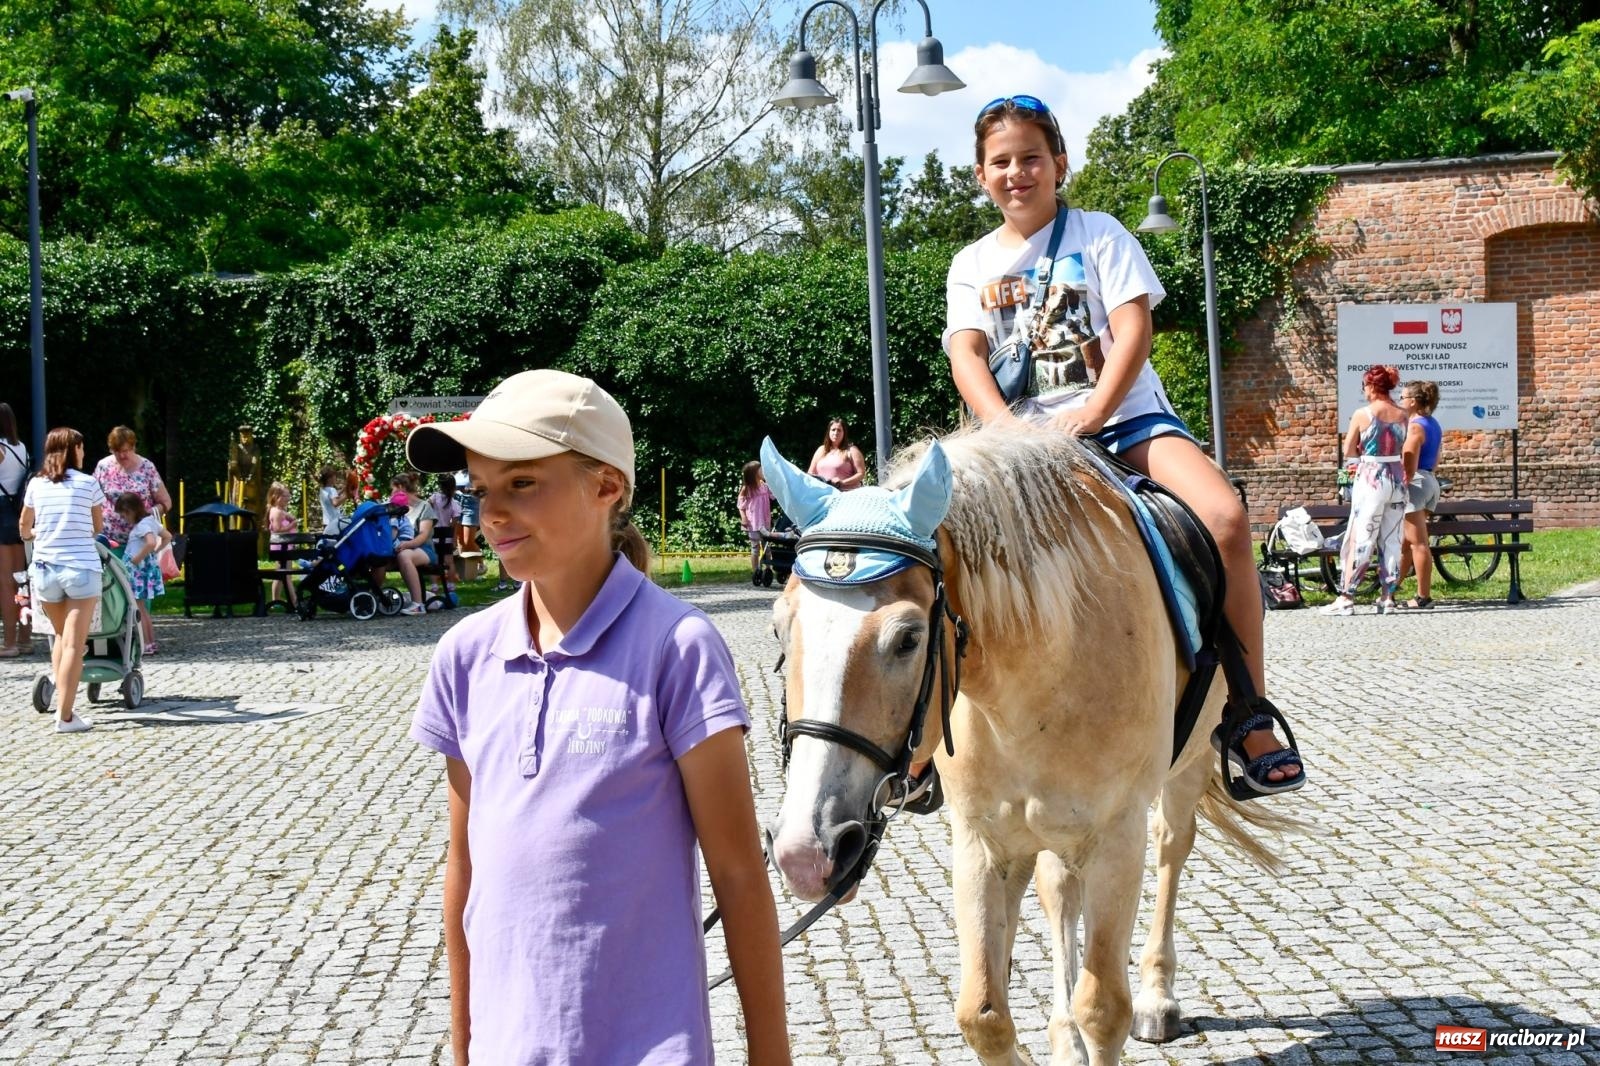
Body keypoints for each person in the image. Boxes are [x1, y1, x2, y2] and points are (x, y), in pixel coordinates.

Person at [403, 368, 789, 1065]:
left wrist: (772, 1056)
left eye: (522, 483)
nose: (491, 513)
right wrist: (461, 1048)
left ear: (606, 486)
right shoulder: (464, 657)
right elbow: (464, 870)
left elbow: (737, 873)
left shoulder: (677, 648)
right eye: (483, 489)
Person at [943, 93, 1303, 796]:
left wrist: (1095, 411)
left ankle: (1247, 708)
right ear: (982, 176)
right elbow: (967, 355)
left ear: (1060, 165)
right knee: (937, 551)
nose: (1018, 172)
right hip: (1017, 442)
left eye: (1032, 158)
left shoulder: (1101, 234)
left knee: (1226, 518)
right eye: (1002, 162)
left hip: (1127, 421)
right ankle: (929, 739)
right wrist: (1003, 429)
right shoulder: (970, 263)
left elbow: (1134, 331)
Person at [20, 427, 106, 733]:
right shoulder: (88, 484)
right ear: (73, 450)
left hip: (44, 570)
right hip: (80, 569)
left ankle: (63, 699)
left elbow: (24, 528)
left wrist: (39, 533)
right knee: (73, 645)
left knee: (61, 639)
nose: (84, 454)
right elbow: (97, 527)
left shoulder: (35, 484)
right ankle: (66, 717)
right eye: (81, 449)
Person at [1324, 365, 1410, 616]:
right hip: (1397, 477)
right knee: (1392, 538)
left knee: (1361, 537)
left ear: (1371, 386)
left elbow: (1348, 450)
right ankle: (1387, 597)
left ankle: (1346, 596)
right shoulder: (1403, 414)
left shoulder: (1363, 414)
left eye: (1365, 386)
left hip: (1372, 477)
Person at [1397, 380, 1443, 610]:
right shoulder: (1433, 423)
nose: (1400, 401)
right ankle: (1391, 590)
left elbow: (1408, 465)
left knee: (1418, 544)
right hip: (1430, 481)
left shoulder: (1415, 427)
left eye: (1403, 397)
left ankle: (1423, 596)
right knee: (1406, 543)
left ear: (1413, 402)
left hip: (1415, 485)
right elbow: (1435, 460)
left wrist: (1400, 485)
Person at [93, 425, 172, 549]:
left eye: (126, 451)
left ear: (134, 447)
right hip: (109, 541)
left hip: (141, 541)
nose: (122, 456)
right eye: (117, 451)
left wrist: (145, 514)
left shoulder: (147, 467)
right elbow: (92, 499)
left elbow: (166, 502)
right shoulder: (103, 466)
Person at [115, 492, 171, 654]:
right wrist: (154, 553)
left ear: (130, 511)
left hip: (136, 571)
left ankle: (146, 643)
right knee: (143, 609)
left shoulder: (142, 526)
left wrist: (136, 560)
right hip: (144, 569)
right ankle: (150, 642)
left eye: (124, 515)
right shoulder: (151, 521)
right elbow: (166, 536)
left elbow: (151, 542)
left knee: (139, 609)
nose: (125, 519)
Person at [0, 403, 32, 657]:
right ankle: (25, 637)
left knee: (5, 583)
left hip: (1, 514)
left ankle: (9, 642)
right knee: (21, 580)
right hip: (19, 513)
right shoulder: (20, 448)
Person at [390, 475, 438, 615]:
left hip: (423, 550)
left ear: (401, 488)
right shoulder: (396, 507)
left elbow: (423, 535)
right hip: (398, 548)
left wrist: (407, 544)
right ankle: (374, 598)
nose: (391, 494)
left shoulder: (424, 507)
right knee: (377, 558)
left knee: (404, 556)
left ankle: (418, 604)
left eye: (393, 490)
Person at [738, 459, 774, 583]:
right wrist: (743, 518)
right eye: (760, 470)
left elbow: (773, 496)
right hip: (753, 523)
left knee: (767, 547)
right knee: (755, 548)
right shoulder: (747, 489)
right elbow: (741, 506)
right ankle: (756, 571)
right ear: (754, 473)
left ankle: (768, 568)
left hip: (765, 522)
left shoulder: (765, 486)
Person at [266, 482, 300, 609]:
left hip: (284, 547)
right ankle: (295, 602)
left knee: (280, 576)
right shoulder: (277, 512)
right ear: (276, 496)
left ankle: (277, 600)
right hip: (282, 547)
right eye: (285, 496)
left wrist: (289, 517)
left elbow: (290, 518)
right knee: (287, 576)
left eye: (288, 495)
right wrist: (292, 525)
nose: (288, 498)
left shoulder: (279, 511)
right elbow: (277, 529)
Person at [807, 419, 866, 490]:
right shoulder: (821, 450)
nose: (836, 433)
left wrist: (843, 482)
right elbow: (810, 473)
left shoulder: (852, 450)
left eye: (839, 430)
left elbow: (861, 474)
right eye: (833, 430)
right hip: (822, 494)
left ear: (844, 433)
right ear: (828, 432)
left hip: (846, 494)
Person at [428, 473, 460, 592]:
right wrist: (453, 537)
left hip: (433, 535)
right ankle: (451, 585)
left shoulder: (434, 498)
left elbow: (427, 507)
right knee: (449, 562)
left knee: (434, 561)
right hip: (447, 537)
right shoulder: (454, 503)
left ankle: (434, 585)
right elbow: (454, 523)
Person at [317, 466, 349, 535]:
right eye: (334, 476)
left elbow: (334, 496)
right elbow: (335, 502)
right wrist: (347, 495)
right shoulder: (332, 490)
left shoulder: (323, 490)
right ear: (329, 479)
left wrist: (345, 488)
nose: (335, 478)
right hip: (334, 524)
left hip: (326, 522)